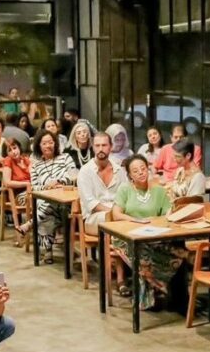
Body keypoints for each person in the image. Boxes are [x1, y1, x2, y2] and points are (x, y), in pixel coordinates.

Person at [111, 155, 183, 310]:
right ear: (130, 175)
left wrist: (157, 221)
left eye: (143, 169)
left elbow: (166, 216)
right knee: (141, 252)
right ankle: (152, 291)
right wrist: (135, 220)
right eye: (135, 171)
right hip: (127, 235)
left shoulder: (159, 191)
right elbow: (116, 214)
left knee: (180, 249)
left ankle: (169, 294)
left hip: (154, 234)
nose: (141, 173)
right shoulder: (125, 189)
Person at [29, 131, 78, 265]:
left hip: (67, 201)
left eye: (50, 142)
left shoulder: (65, 157)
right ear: (39, 146)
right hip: (47, 199)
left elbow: (74, 176)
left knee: (45, 209)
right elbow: (34, 187)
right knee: (45, 207)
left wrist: (58, 182)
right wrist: (47, 188)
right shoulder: (35, 166)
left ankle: (45, 247)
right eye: (44, 143)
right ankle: (47, 249)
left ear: (55, 144)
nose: (48, 146)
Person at [77, 130, 122, 234]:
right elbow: (91, 204)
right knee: (109, 218)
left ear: (110, 147)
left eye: (104, 145)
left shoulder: (119, 170)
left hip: (117, 213)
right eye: (97, 146)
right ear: (93, 147)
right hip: (93, 217)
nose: (100, 149)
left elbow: (125, 196)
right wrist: (113, 212)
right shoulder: (85, 171)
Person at [0, 138, 33, 245]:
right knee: (38, 201)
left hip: (32, 192)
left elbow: (35, 175)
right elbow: (7, 182)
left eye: (15, 148)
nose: (14, 152)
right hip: (18, 196)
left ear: (19, 147)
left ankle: (30, 224)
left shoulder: (26, 160)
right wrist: (26, 183)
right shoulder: (8, 161)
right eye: (10, 150)